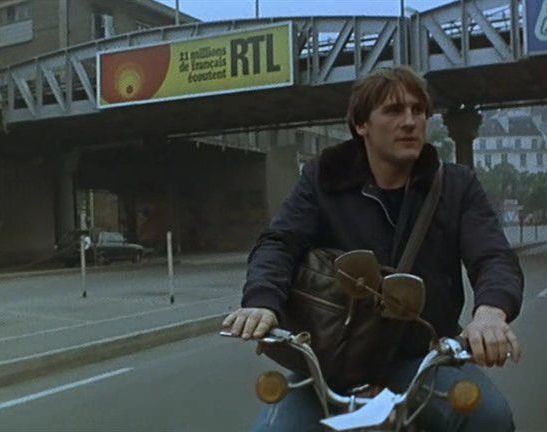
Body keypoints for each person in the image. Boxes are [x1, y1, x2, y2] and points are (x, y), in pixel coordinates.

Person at [222, 66, 524, 431]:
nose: (410, 121)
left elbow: (493, 255)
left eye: (418, 110)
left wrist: (490, 312)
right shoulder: (324, 177)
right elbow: (279, 242)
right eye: (394, 111)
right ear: (361, 124)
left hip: (421, 356)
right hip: (336, 361)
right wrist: (262, 301)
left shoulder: (456, 186)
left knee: (491, 418)